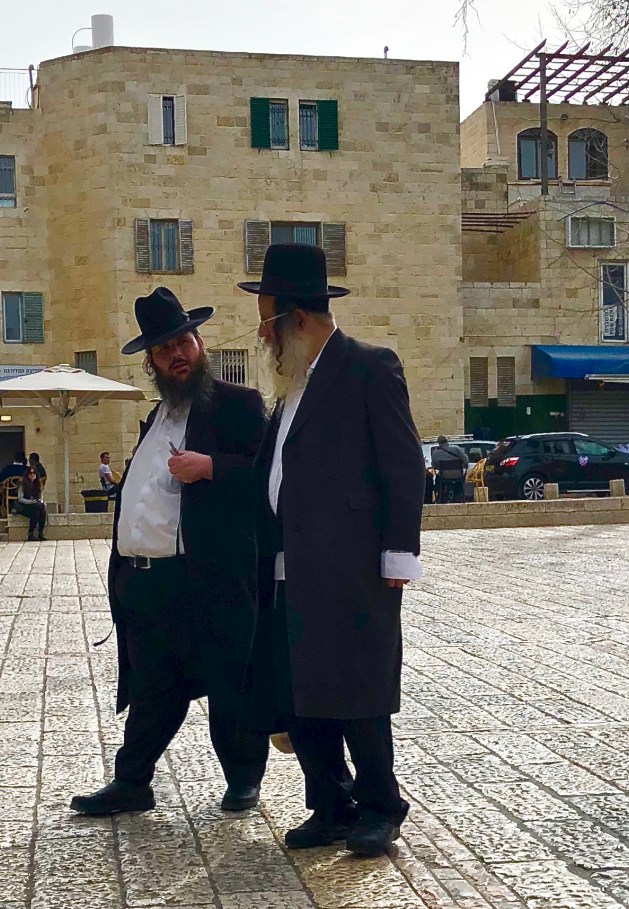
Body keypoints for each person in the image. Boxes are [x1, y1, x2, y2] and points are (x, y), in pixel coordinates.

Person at [242, 244, 425, 857]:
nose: (261, 334)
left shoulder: (369, 366)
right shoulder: (292, 384)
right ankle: (330, 804)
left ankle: (380, 807)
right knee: (301, 694)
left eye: (266, 321)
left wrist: (398, 554)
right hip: (288, 566)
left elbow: (404, 465)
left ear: (295, 318)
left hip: (352, 565)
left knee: (357, 691)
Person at [70, 286, 270, 818]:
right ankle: (132, 782)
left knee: (229, 682)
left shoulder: (238, 405)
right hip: (147, 583)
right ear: (152, 363)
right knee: (152, 688)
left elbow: (271, 478)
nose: (177, 354)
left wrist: (211, 467)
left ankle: (243, 781)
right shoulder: (157, 415)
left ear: (200, 344)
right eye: (164, 349)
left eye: (184, 342)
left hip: (208, 577)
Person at [431, 435, 468, 504]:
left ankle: (441, 496)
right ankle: (458, 495)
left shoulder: (435, 453)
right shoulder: (456, 449)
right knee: (462, 478)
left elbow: (434, 466)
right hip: (458, 475)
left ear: (439, 443)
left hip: (444, 476)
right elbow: (466, 460)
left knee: (437, 479)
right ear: (447, 441)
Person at [17, 466, 46, 541]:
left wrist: (40, 501)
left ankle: (40, 532)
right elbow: (20, 498)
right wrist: (31, 502)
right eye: (30, 473)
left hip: (35, 505)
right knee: (36, 511)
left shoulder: (38, 484)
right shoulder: (23, 484)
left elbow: (41, 497)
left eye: (34, 473)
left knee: (42, 511)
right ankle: (31, 533)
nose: (32, 475)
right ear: (27, 474)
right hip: (25, 506)